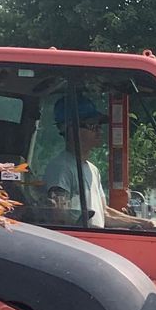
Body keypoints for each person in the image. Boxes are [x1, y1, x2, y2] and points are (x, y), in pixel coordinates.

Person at [39, 92, 111, 228]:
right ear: (70, 129)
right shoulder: (61, 167)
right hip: (80, 241)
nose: (99, 131)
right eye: (92, 125)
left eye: (99, 125)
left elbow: (104, 214)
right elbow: (59, 215)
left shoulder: (93, 169)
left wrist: (146, 224)